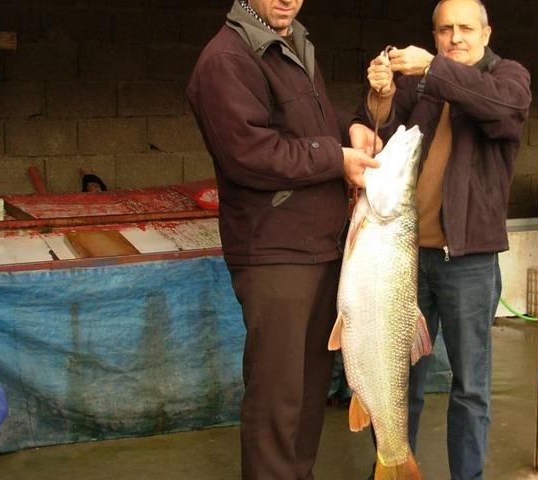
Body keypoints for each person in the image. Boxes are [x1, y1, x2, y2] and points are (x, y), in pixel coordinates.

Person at [186, 0, 379, 478]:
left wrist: (349, 128)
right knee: (278, 396)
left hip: (316, 246)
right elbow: (250, 155)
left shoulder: (292, 41)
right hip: (274, 251)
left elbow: (306, 123)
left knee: (309, 391)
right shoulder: (227, 59)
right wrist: (336, 158)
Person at [351, 0, 531, 477]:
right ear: (434, 35)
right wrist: (383, 93)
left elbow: (502, 109)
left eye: (465, 28)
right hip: (404, 257)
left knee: (469, 387)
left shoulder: (507, 77)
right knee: (396, 380)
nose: (455, 37)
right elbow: (381, 128)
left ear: (486, 33)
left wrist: (434, 67)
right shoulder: (424, 86)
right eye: (445, 29)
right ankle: (393, 465)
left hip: (468, 261)